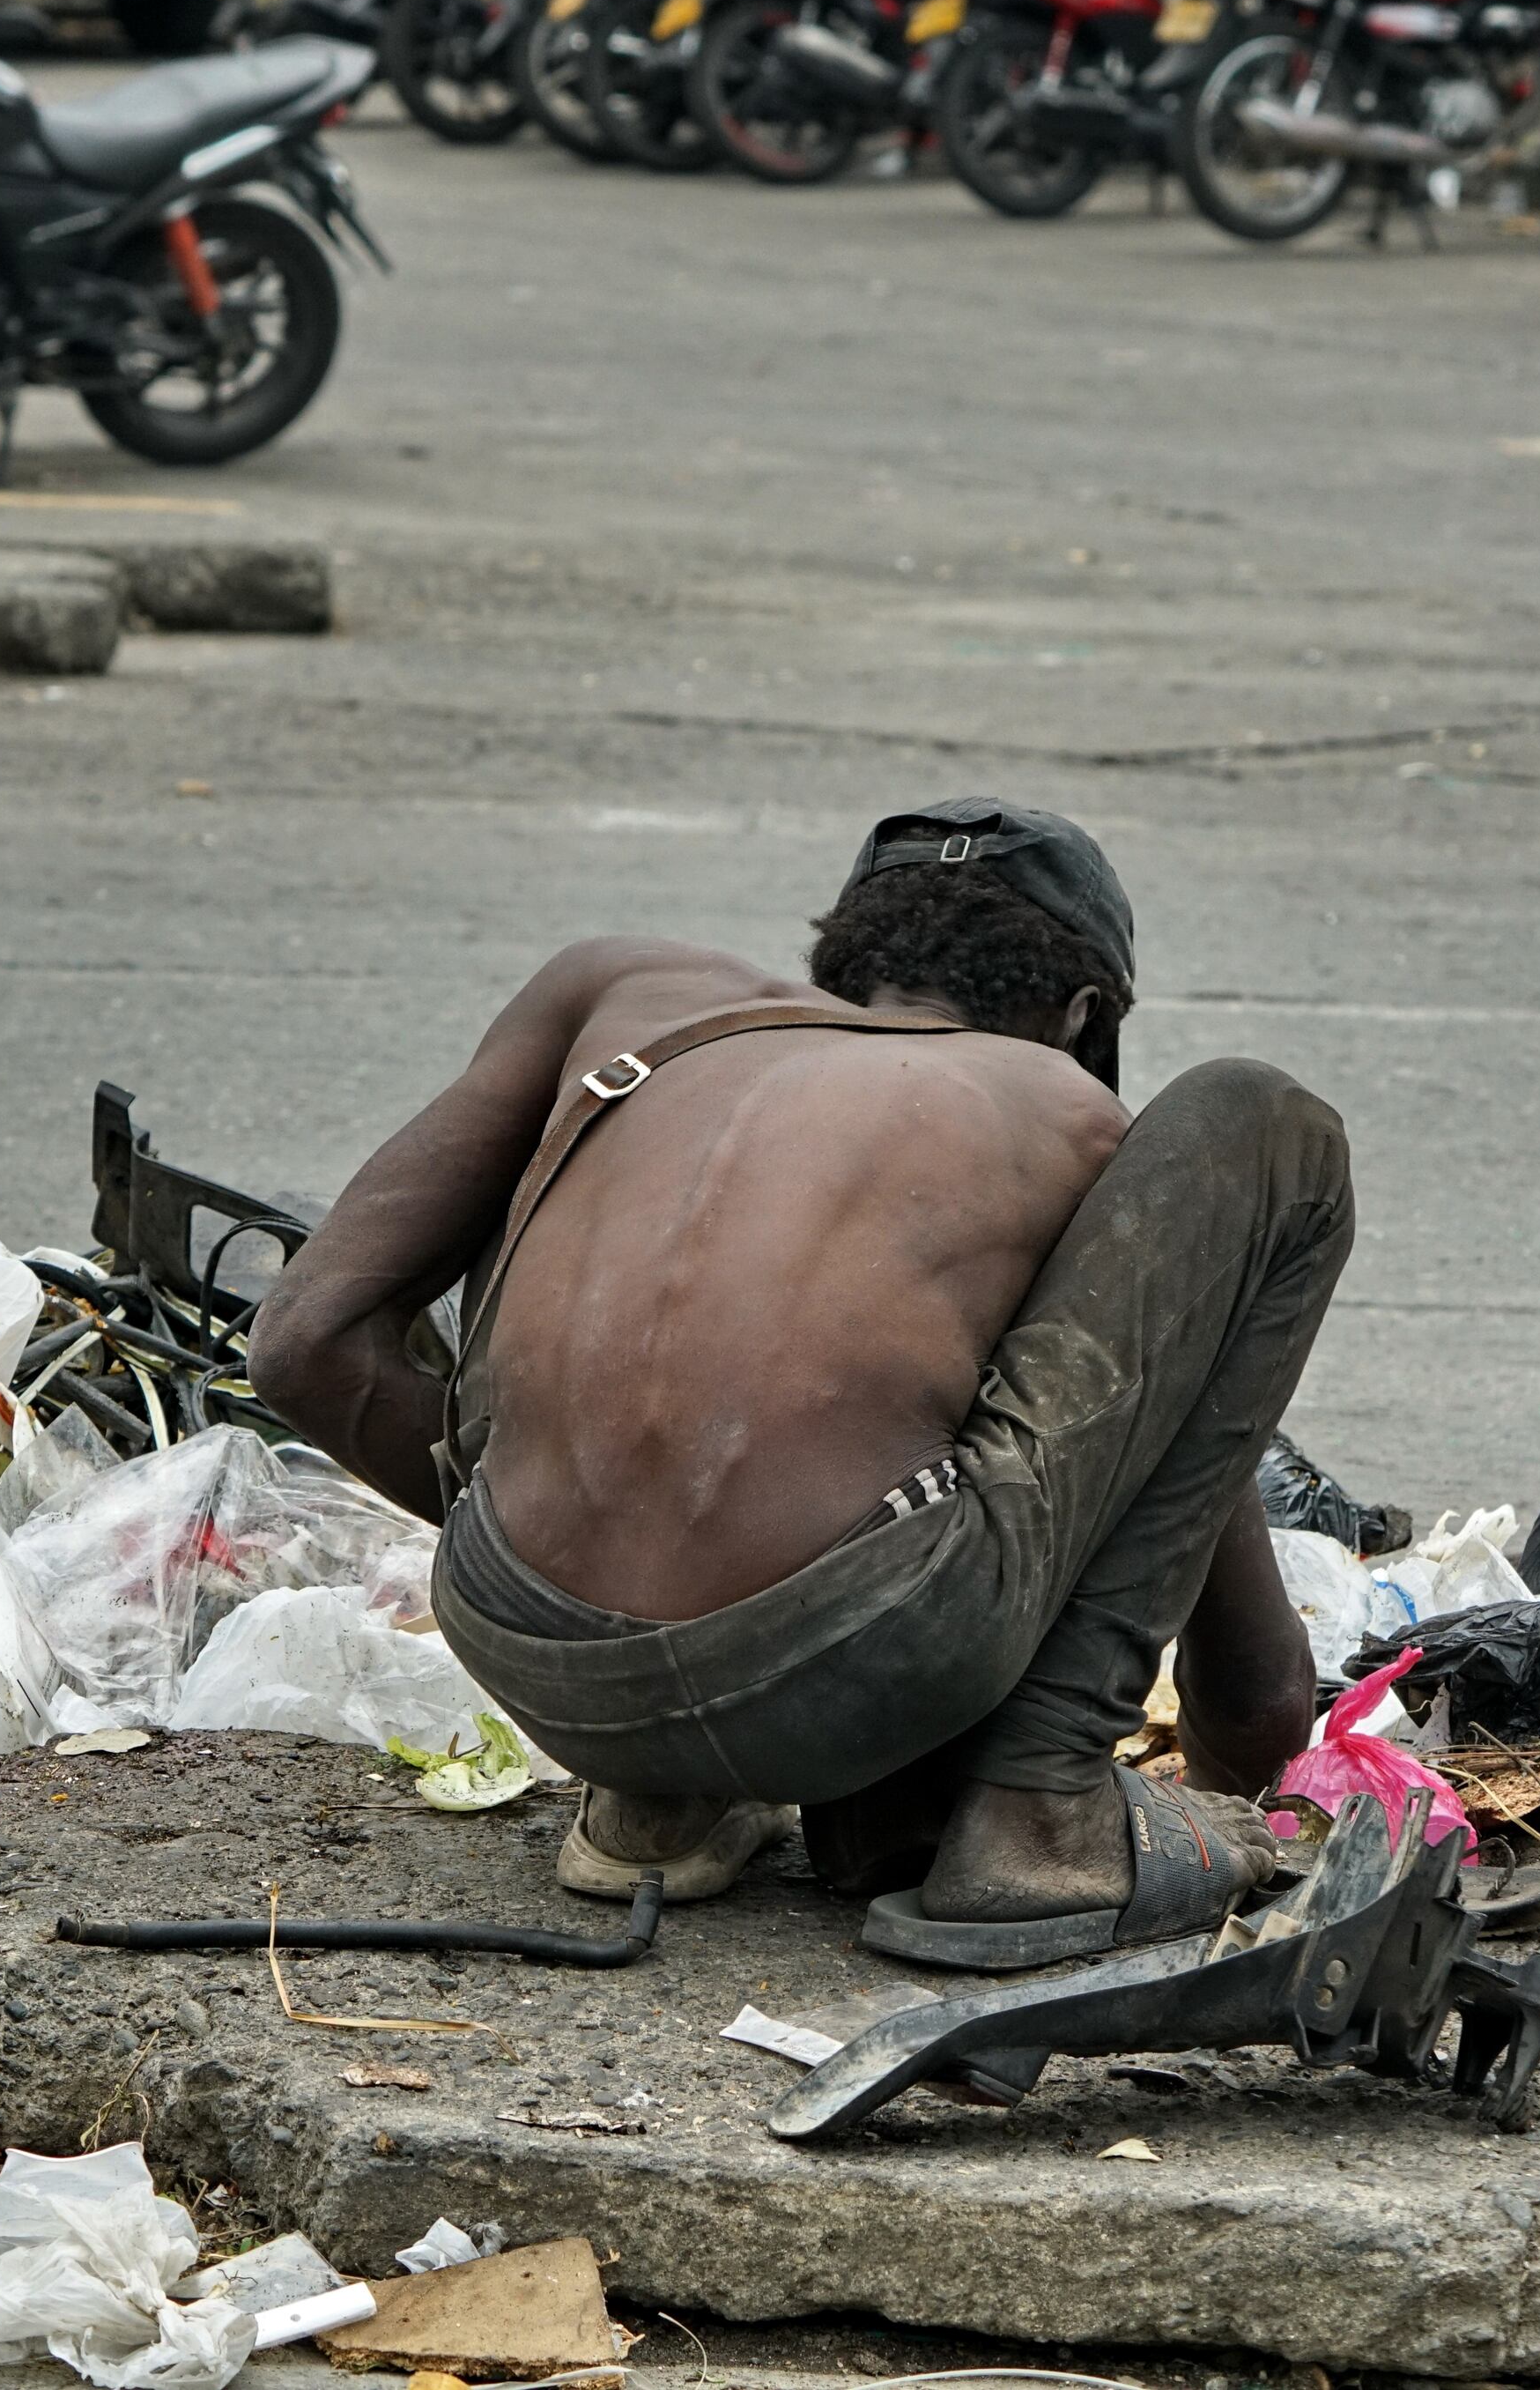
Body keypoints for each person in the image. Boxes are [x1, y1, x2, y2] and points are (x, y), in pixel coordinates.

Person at [248, 799, 1344, 1971]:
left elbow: (306, 1343)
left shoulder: (615, 988)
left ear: (847, 956)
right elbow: (1259, 1683)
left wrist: (575, 1553)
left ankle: (662, 1798)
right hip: (851, 1661)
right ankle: (1039, 1812)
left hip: (523, 1640)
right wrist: (1251, 1764)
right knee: (1261, 1122)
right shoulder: (1076, 1116)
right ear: (1080, 1015)